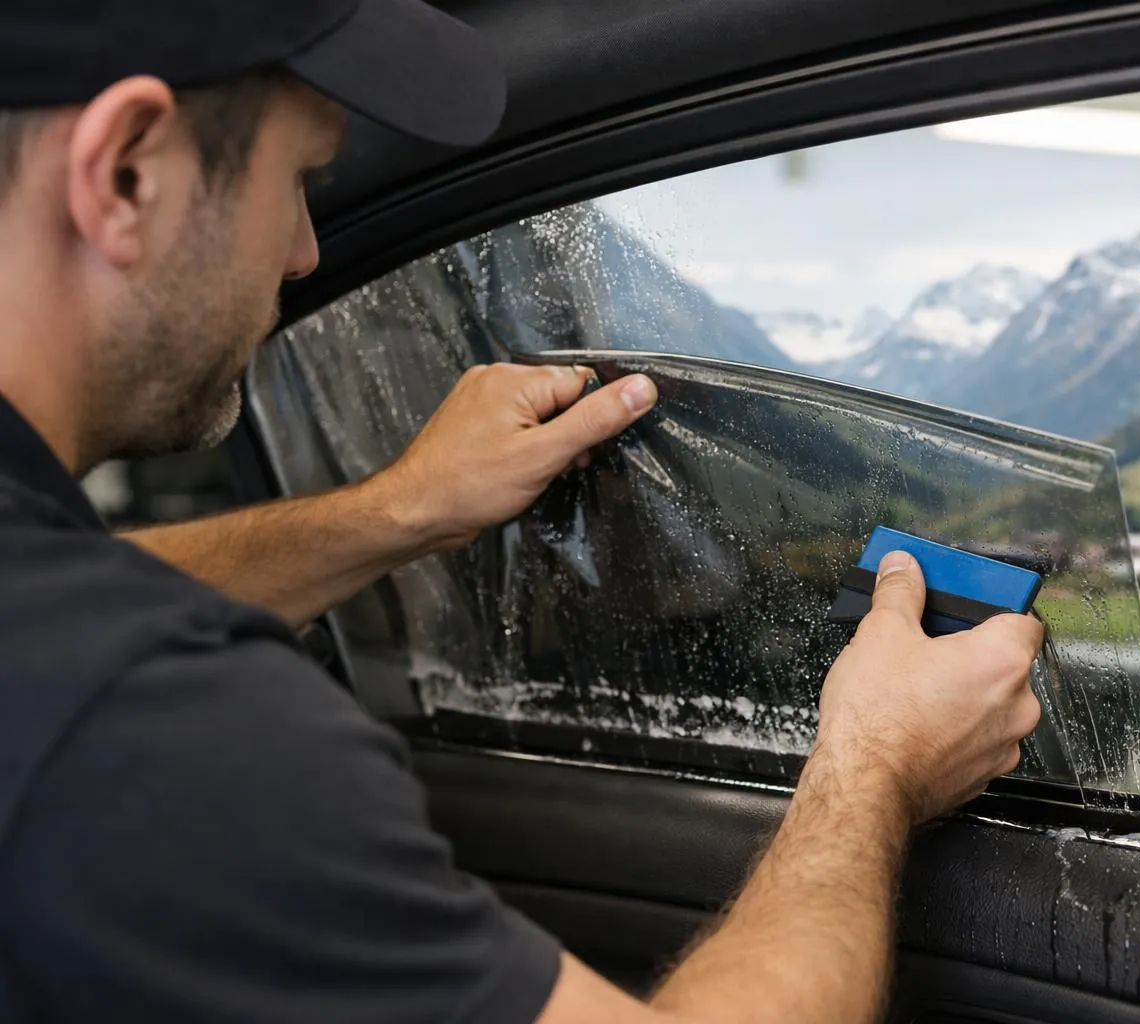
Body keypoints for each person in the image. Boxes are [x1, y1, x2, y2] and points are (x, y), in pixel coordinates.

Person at [0, 2, 1046, 1022]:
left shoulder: (54, 632)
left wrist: (400, 510)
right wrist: (873, 765)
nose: (305, 254)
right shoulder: (155, 738)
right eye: (300, 178)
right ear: (127, 173)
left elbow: (82, 608)